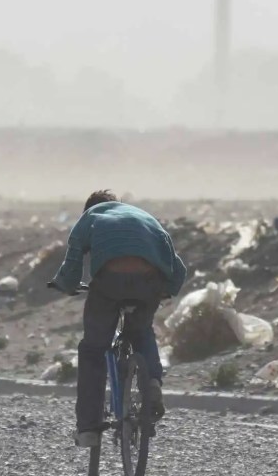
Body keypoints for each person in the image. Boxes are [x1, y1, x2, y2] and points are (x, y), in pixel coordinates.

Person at [50, 189, 187, 448]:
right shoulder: (145, 218)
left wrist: (66, 285)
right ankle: (153, 382)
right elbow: (178, 269)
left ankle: (89, 428)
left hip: (110, 282)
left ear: (89, 208)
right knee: (142, 330)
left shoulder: (89, 217)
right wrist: (165, 290)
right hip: (150, 281)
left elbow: (71, 267)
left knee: (93, 350)